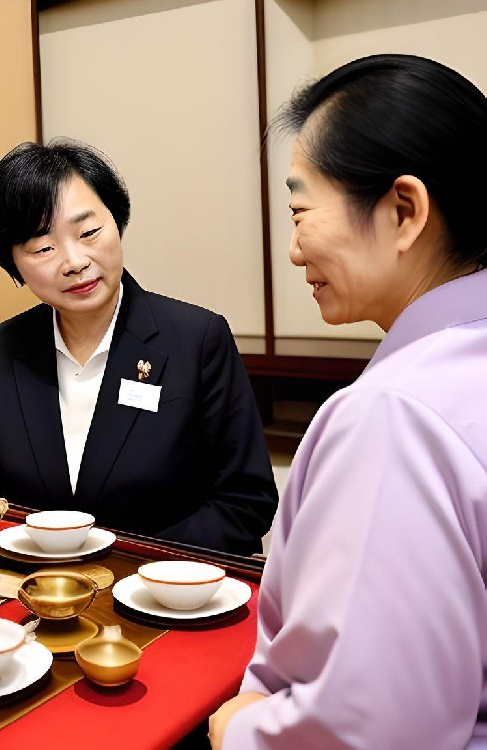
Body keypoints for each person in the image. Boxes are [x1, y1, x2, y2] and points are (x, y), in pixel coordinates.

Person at [209, 54, 487, 749]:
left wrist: (242, 731)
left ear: (403, 210)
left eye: (301, 210)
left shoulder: (395, 415)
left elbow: (372, 727)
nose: (296, 251)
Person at [0, 139, 278, 554]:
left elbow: (245, 501)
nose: (74, 261)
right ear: (14, 264)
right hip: (41, 595)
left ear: (116, 220)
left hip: (163, 596)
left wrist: (128, 572)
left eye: (88, 232)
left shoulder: (197, 338)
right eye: (43, 248)